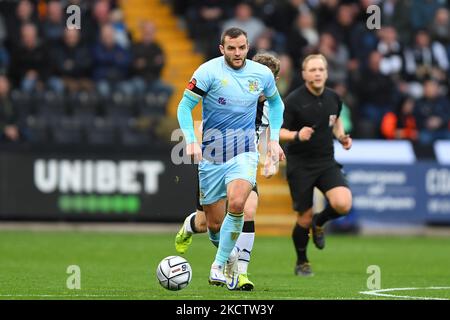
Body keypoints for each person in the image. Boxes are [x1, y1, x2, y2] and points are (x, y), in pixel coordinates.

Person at [176, 27, 284, 289]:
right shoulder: (207, 72)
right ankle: (227, 254)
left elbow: (277, 104)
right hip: (212, 156)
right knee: (212, 224)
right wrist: (191, 140)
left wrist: (274, 141)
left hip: (244, 153)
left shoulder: (261, 75)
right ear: (221, 48)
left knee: (239, 205)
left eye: (242, 47)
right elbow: (184, 105)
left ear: (249, 47)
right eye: (232, 48)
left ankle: (219, 266)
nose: (237, 53)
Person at [279, 54, 353, 277]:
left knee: (343, 204)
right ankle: (302, 261)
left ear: (326, 73)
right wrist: (297, 135)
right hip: (300, 164)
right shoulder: (293, 100)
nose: (317, 73)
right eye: (312, 70)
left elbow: (336, 119)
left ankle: (320, 222)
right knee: (303, 217)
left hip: (325, 161)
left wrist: (341, 136)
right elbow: (278, 132)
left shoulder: (333, 97)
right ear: (304, 74)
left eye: (321, 69)